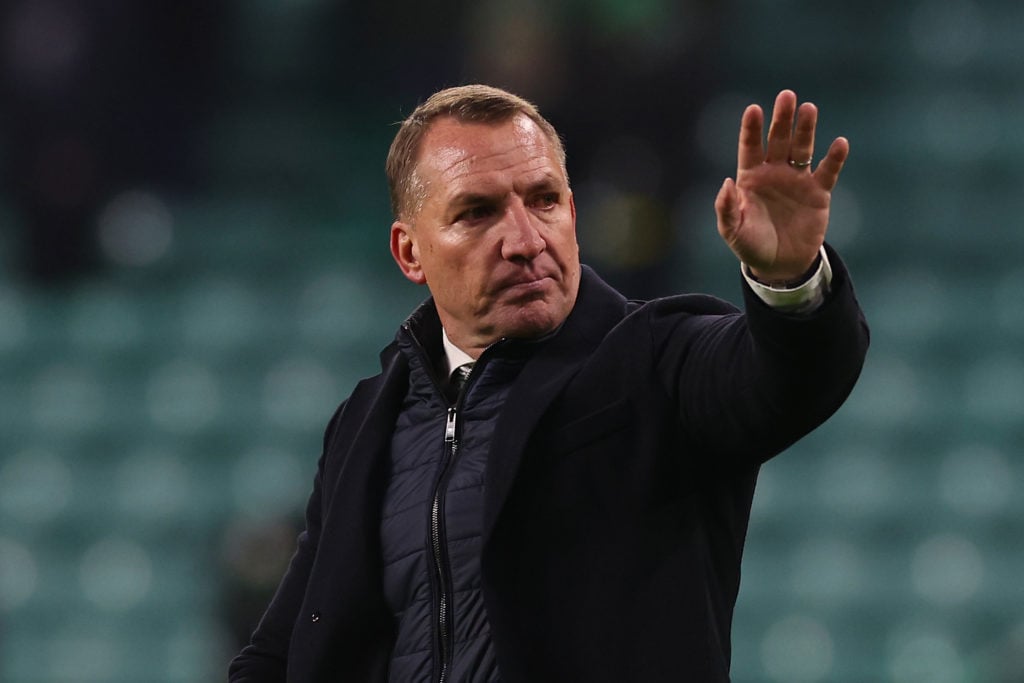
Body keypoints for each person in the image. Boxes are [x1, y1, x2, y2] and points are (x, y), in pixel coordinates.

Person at [228, 84, 869, 682]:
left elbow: (787, 380)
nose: (525, 240)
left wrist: (790, 281)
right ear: (410, 252)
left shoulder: (655, 360)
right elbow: (284, 648)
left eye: (544, 200)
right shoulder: (367, 420)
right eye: (477, 213)